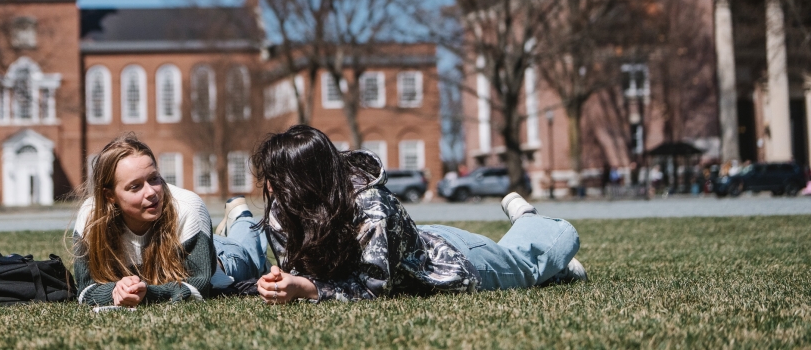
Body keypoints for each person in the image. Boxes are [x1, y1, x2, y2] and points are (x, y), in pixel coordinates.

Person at [252, 126, 586, 303]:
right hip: (408, 244)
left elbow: (372, 288)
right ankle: (560, 272)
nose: (269, 188)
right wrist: (282, 282)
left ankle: (530, 222)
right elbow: (299, 271)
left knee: (525, 267)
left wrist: (305, 288)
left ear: (304, 182)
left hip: (449, 261)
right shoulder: (284, 208)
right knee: (533, 268)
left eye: (278, 179)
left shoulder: (371, 204)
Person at [72, 134, 267, 306]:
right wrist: (115, 291)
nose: (151, 192)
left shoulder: (188, 207)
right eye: (135, 186)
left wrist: (148, 294)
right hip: (194, 243)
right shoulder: (91, 218)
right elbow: (85, 291)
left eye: (154, 178)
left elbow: (199, 287)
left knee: (251, 257)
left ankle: (241, 217)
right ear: (109, 196)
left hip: (224, 260)